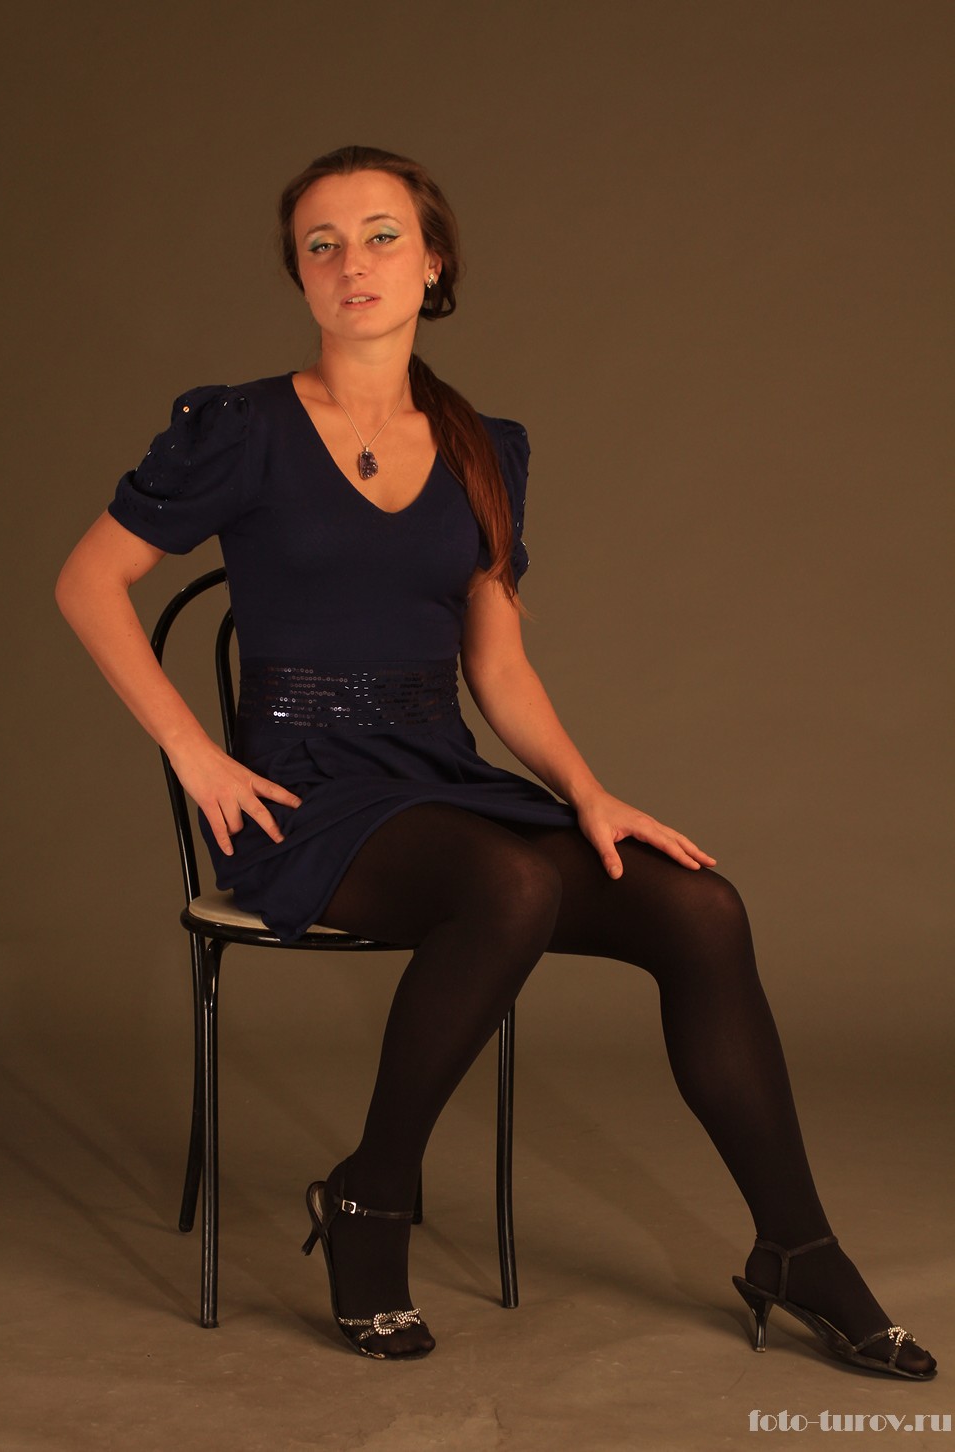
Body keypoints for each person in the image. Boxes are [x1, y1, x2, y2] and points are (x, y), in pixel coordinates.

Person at [56, 144, 936, 1374]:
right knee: (507, 885)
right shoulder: (241, 429)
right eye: (320, 244)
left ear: (433, 261)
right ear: (297, 276)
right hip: (302, 797)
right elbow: (87, 581)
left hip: (437, 782)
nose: (352, 263)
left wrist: (588, 793)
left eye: (380, 235)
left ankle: (796, 1248)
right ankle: (369, 1197)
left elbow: (498, 666)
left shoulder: (481, 447)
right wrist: (193, 752)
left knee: (699, 908)